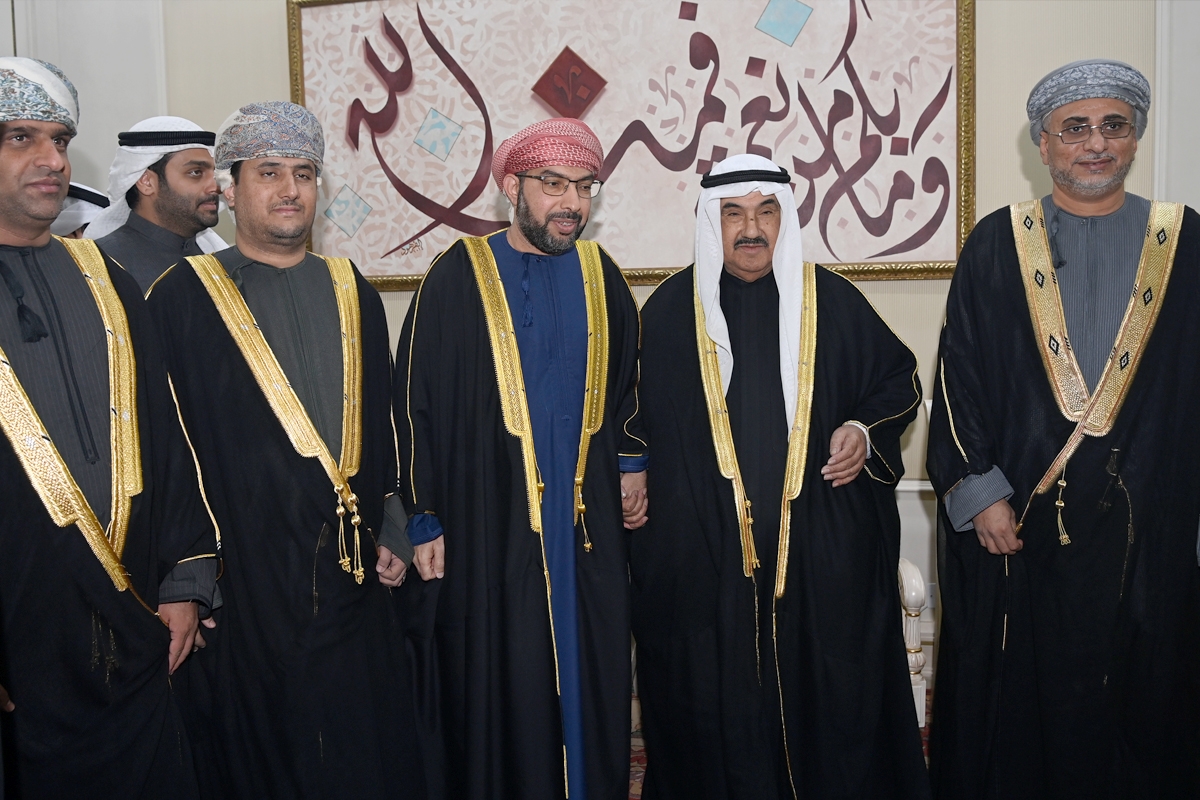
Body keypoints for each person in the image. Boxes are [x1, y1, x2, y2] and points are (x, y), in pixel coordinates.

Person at [928, 59, 1200, 798]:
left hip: (1151, 527)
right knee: (1025, 701)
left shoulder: (1184, 241)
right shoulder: (997, 242)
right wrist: (980, 493)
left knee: (1144, 693)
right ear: (1043, 144)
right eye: (1075, 128)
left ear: (1135, 138)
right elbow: (959, 377)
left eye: (1114, 126)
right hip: (1024, 525)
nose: (1096, 144)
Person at [146, 101, 422, 800]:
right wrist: (187, 576)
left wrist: (392, 523)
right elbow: (165, 449)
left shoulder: (351, 289)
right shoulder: (180, 298)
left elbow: (385, 423)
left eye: (303, 173)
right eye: (268, 172)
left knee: (361, 750)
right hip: (244, 580)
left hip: (353, 572)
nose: (290, 189)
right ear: (230, 188)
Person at [631, 154, 929, 799]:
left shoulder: (832, 301)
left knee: (830, 695)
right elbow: (625, 417)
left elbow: (898, 381)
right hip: (704, 558)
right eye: (734, 214)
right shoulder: (670, 312)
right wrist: (633, 473)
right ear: (711, 223)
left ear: (784, 219)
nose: (751, 229)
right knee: (707, 696)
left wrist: (863, 430)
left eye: (766, 212)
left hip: (819, 557)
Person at [395, 117, 648, 800]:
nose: (571, 203)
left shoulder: (601, 276)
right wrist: (422, 514)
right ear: (513, 186)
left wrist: (632, 463)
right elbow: (413, 403)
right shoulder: (456, 276)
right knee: (507, 682)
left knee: (591, 675)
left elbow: (631, 383)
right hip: (490, 526)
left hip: (587, 529)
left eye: (584, 187)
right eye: (553, 185)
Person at [0, 56, 216, 799]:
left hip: (136, 621)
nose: (52, 159)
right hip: (22, 633)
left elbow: (167, 436)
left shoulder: (108, 281)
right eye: (21, 138)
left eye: (60, 140)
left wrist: (186, 580)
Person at [88, 116, 226, 292]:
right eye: (195, 172)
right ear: (146, 182)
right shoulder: (104, 266)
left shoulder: (213, 253)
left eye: (214, 173)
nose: (216, 187)